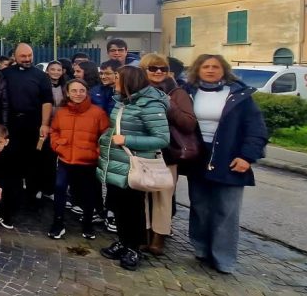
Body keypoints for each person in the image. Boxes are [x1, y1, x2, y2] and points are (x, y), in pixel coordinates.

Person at [184, 54, 268, 274]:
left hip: (229, 156)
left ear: (224, 70)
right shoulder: (187, 92)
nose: (211, 70)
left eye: (215, 67)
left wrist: (247, 157)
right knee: (200, 206)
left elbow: (256, 129)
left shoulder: (239, 95)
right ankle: (201, 248)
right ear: (197, 69)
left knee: (226, 210)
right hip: (199, 156)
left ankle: (224, 258)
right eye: (206, 66)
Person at [98, 66, 170, 271]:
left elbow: (162, 138)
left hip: (134, 164)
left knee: (133, 208)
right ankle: (122, 241)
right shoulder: (121, 101)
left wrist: (127, 139)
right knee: (118, 205)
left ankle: (134, 248)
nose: (114, 80)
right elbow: (115, 127)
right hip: (117, 163)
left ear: (129, 80)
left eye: (118, 77)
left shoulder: (150, 105)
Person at [139, 53, 197, 255]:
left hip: (168, 152)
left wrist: (168, 104)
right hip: (141, 151)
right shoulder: (137, 90)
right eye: (153, 68)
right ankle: (144, 233)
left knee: (163, 196)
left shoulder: (177, 92)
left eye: (162, 69)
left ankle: (159, 237)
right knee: (142, 194)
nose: (158, 72)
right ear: (144, 70)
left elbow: (189, 123)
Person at [0, 44, 54, 227]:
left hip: (33, 125)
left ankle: (32, 199)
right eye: (23, 56)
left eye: (30, 55)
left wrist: (45, 124)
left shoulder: (41, 76)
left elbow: (47, 101)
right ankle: (13, 201)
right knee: (12, 163)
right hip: (12, 125)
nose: (27, 59)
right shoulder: (6, 74)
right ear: (15, 56)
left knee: (33, 163)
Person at [48, 79, 109, 241]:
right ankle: (58, 222)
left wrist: (95, 152)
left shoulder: (97, 113)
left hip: (87, 161)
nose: (78, 94)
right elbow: (54, 131)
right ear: (67, 93)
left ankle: (88, 224)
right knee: (60, 188)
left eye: (81, 90)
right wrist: (58, 146)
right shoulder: (61, 112)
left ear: (86, 92)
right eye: (74, 91)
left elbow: (105, 136)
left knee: (88, 193)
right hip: (65, 159)